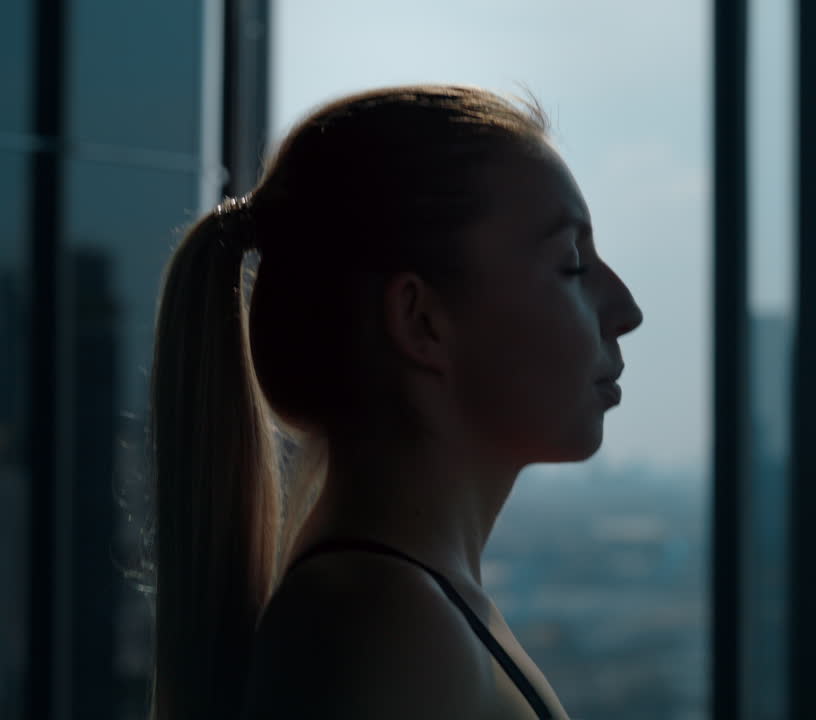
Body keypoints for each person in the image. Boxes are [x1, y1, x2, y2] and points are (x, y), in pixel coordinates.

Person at [145, 85, 643, 720]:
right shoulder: (392, 629)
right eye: (571, 263)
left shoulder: (398, 607)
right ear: (421, 321)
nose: (626, 310)